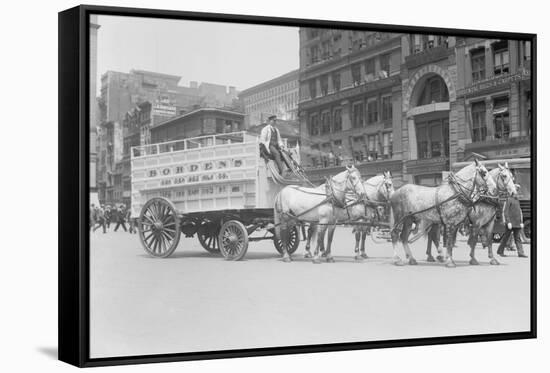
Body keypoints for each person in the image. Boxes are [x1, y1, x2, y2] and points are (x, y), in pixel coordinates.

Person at [497, 191, 527, 258]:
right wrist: (508, 222)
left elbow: (519, 212)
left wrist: (521, 222)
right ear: (513, 194)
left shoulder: (517, 200)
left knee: (518, 238)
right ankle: (500, 251)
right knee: (505, 238)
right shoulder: (509, 200)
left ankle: (521, 253)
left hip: (517, 223)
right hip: (510, 223)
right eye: (516, 193)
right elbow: (506, 212)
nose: (517, 194)